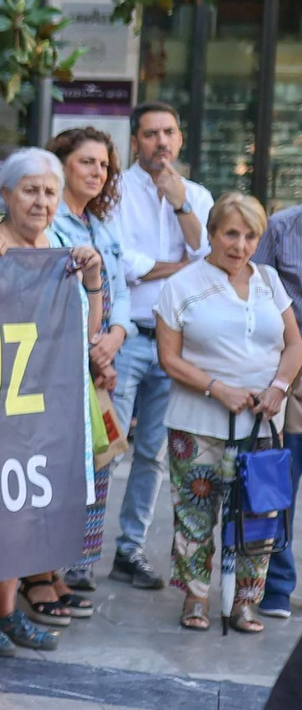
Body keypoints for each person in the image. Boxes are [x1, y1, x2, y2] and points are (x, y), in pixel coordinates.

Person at [0, 148, 104, 656]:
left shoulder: (65, 245)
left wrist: (93, 279)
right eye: (30, 190)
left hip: (46, 403)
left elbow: (87, 328)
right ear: (5, 195)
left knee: (25, 510)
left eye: (49, 192)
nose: (41, 201)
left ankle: (7, 609)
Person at [156, 192, 302, 634]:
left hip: (262, 421)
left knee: (259, 515)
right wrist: (218, 389)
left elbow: (294, 343)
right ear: (213, 234)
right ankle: (196, 600)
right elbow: (170, 358)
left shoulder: (270, 281)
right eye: (231, 234)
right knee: (196, 514)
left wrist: (278, 389)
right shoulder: (182, 284)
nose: (240, 245)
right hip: (196, 421)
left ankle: (245, 603)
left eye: (250, 235)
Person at [111, 101, 214, 591]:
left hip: (175, 346)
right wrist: (182, 265)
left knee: (152, 454)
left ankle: (129, 550)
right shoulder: (114, 191)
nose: (161, 143)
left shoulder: (196, 195)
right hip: (126, 338)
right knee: (104, 449)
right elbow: (125, 263)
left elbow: (211, 258)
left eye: (169, 132)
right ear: (135, 141)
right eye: (151, 134)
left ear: (180, 137)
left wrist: (179, 203)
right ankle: (75, 554)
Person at [50, 127, 131, 599]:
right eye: (87, 162)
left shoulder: (101, 226)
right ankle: (46, 570)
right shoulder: (49, 220)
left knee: (100, 462)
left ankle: (80, 566)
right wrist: (90, 350)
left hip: (102, 366)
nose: (98, 172)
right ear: (61, 165)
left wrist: (113, 341)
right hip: (65, 367)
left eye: (104, 165)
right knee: (63, 468)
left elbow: (119, 293)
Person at [253, 202, 302, 618]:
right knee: (282, 481)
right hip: (292, 368)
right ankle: (276, 587)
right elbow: (253, 287)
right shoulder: (282, 227)